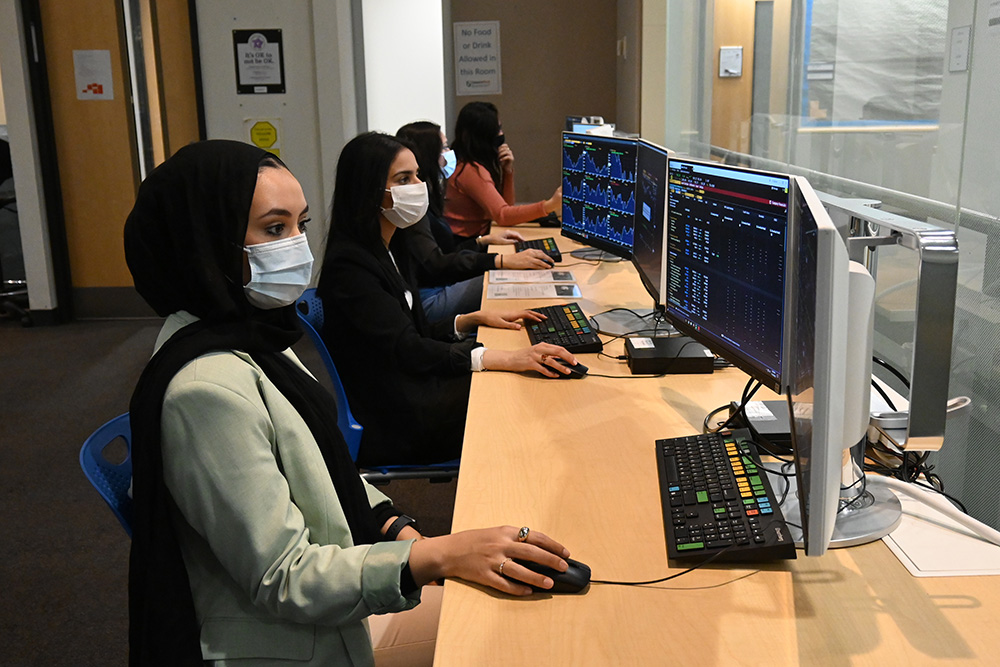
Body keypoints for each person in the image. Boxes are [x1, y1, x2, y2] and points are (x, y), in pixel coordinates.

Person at [123, 139, 574, 666]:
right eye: (274, 229)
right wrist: (435, 556)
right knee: (510, 636)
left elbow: (325, 467)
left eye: (300, 224)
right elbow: (284, 577)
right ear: (206, 241)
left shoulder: (248, 336)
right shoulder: (205, 390)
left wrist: (399, 529)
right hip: (298, 639)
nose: (296, 245)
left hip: (328, 599)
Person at [318, 132, 578, 468]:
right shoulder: (350, 267)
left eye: (416, 175)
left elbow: (407, 330)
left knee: (518, 382)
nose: (418, 184)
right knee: (514, 392)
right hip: (398, 417)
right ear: (368, 191)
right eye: (403, 179)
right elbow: (409, 349)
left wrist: (468, 321)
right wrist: (502, 357)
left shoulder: (389, 246)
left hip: (411, 388)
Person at [395, 120, 553, 322]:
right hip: (429, 298)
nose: (449, 151)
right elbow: (436, 263)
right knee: (508, 281)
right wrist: (500, 260)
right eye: (443, 147)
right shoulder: (412, 208)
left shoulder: (431, 195)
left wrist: (482, 241)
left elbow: (444, 251)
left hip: (439, 285)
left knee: (509, 278)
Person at [443, 101, 562, 243]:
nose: (501, 134)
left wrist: (507, 172)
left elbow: (507, 206)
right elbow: (503, 216)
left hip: (472, 239)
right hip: (466, 244)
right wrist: (549, 205)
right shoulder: (470, 171)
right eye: (497, 129)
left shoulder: (467, 163)